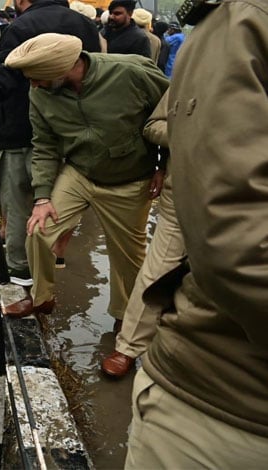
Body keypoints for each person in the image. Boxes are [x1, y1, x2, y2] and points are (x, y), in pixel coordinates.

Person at [125, 1, 268, 467]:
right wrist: (188, 135)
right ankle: (128, 346)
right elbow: (234, 242)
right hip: (227, 393)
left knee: (142, 255)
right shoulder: (237, 27)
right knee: (161, 260)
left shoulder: (150, 54)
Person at [0, 0, 102, 290]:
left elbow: (2, 78)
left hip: (20, 130)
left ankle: (21, 282)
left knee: (17, 208)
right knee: (59, 207)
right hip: (69, 134)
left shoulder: (21, 27)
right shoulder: (85, 26)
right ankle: (54, 266)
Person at [2, 33, 168, 323]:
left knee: (128, 260)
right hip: (79, 173)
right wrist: (42, 197)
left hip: (130, 180)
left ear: (62, 68)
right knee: (38, 230)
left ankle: (125, 324)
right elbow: (44, 144)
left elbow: (173, 117)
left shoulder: (132, 72)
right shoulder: (41, 93)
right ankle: (42, 299)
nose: (34, 85)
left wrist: (164, 165)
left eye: (38, 77)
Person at [100, 90, 184, 378]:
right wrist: (196, 131)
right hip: (186, 191)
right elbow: (153, 126)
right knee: (159, 267)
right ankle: (128, 347)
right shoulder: (193, 70)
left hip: (251, 200)